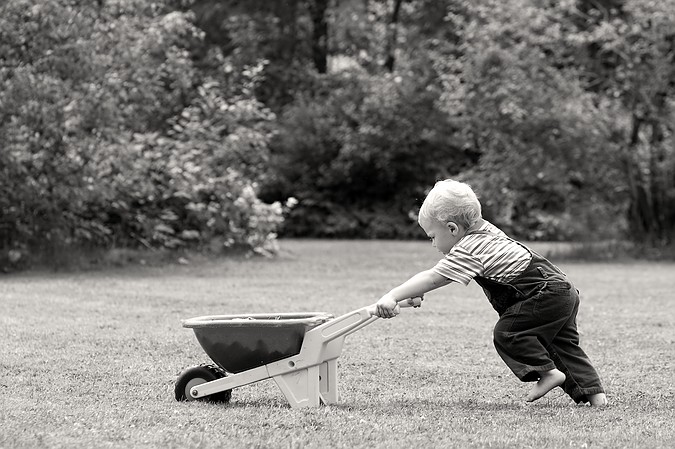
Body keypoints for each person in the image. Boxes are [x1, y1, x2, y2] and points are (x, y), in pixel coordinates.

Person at [375, 179, 607, 406]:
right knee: (563, 346)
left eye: (432, 237)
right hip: (562, 288)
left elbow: (433, 278)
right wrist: (413, 293)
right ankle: (597, 398)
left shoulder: (469, 248)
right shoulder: (487, 231)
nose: (433, 245)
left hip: (543, 293)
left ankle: (547, 374)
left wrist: (392, 295)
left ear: (452, 229)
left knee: (508, 333)